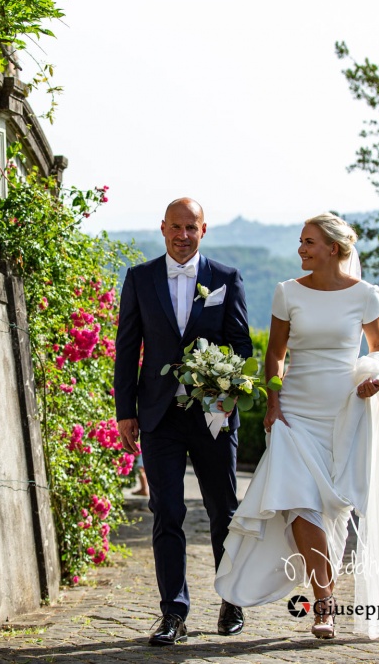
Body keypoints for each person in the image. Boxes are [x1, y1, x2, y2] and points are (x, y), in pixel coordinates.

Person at [214, 213, 379, 641]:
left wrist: (374, 379)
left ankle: (323, 590)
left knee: (335, 509)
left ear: (333, 248)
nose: (301, 249)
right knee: (296, 501)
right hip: (295, 412)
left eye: (309, 242)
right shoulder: (286, 292)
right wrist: (273, 403)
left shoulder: (366, 295)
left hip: (345, 413)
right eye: (299, 241)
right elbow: (274, 355)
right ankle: (324, 603)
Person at [115, 198, 252, 645]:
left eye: (191, 227)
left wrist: (224, 389)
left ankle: (231, 600)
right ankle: (173, 613)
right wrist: (126, 411)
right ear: (162, 228)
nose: (182, 235)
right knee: (166, 511)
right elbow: (126, 348)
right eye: (175, 227)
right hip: (158, 416)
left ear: (203, 230)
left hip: (213, 415)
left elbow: (241, 348)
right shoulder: (139, 278)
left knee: (223, 511)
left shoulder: (226, 280)